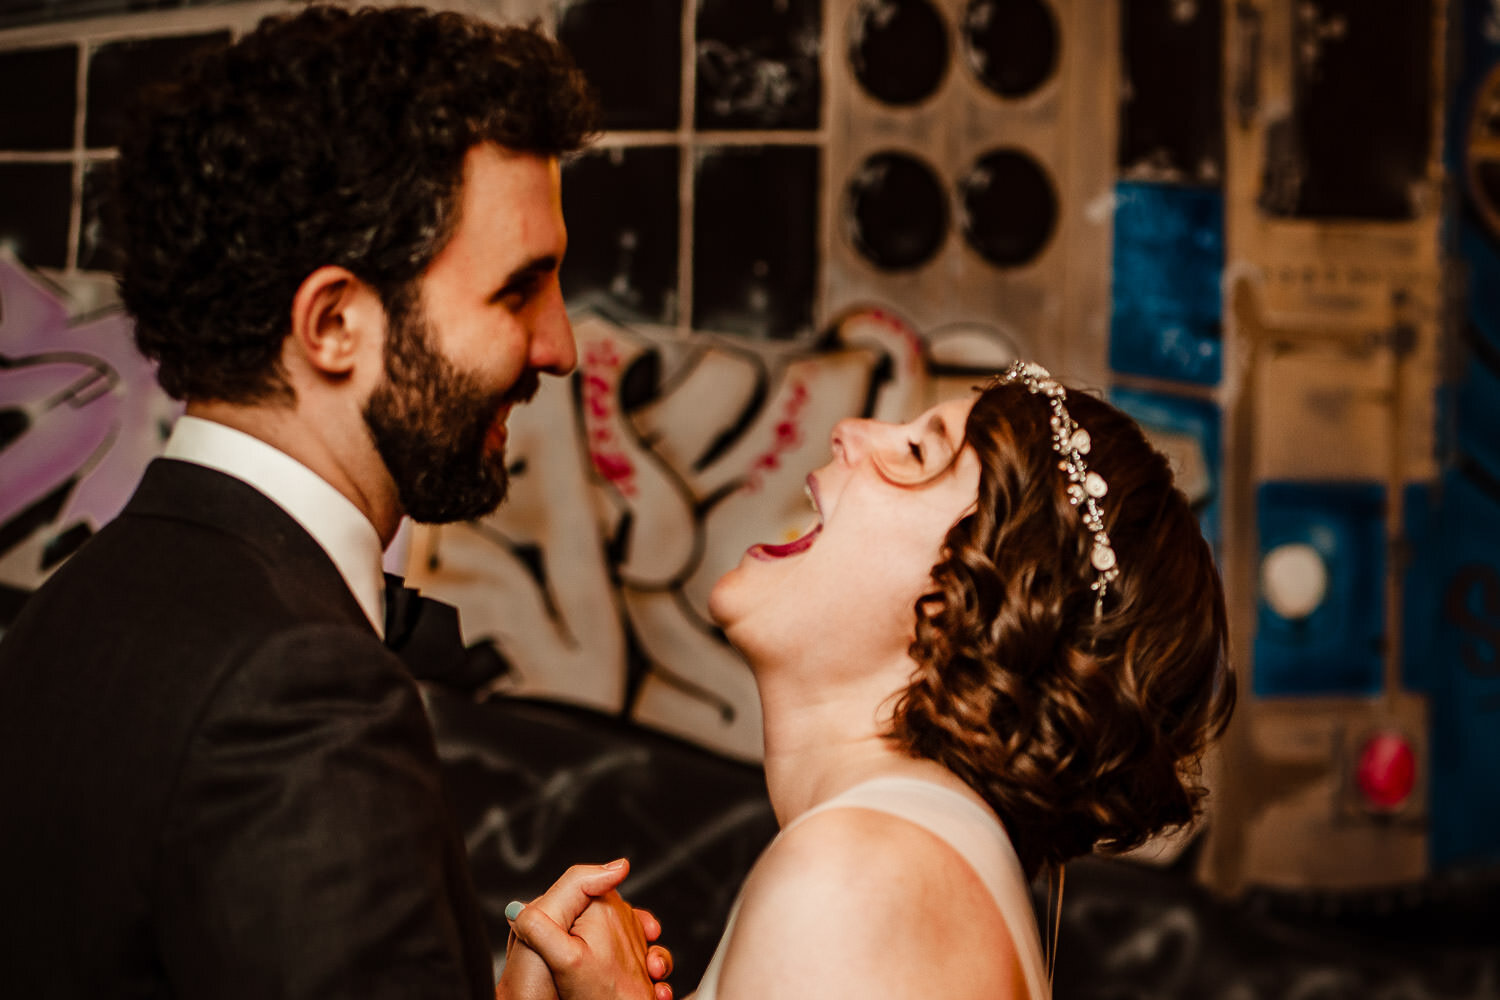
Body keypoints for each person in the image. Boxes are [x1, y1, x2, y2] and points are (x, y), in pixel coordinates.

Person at [0, 6, 667, 998]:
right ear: (336, 322)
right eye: (519, 290)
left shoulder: (82, 598)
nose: (561, 347)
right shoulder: (301, 695)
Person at [509, 361, 1237, 998]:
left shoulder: (859, 882)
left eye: (919, 453)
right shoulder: (920, 867)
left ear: (989, 601)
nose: (849, 431)